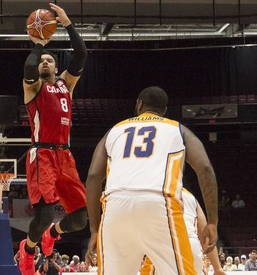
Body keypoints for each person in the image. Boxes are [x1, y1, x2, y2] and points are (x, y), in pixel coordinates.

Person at [86, 86, 219, 275]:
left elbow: (93, 177)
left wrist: (94, 229)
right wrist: (212, 221)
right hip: (159, 204)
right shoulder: (178, 130)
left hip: (115, 207)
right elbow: (205, 168)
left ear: (139, 104)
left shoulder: (114, 130)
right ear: (164, 110)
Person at [18, 3, 87, 275]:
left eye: (50, 60)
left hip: (65, 156)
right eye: (42, 60)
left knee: (80, 219)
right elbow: (28, 67)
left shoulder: (65, 85)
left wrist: (68, 24)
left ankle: (52, 235)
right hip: (42, 154)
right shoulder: (32, 87)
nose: (45, 62)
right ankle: (28, 249)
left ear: (57, 67)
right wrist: (38, 44)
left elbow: (80, 54)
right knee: (44, 214)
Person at [140, 188, 225, 275]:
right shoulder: (191, 197)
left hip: (166, 243)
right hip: (192, 246)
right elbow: (206, 237)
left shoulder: (152, 191)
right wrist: (217, 268)